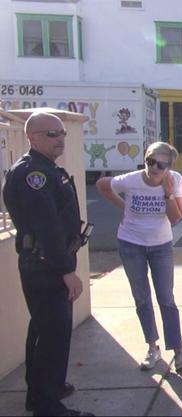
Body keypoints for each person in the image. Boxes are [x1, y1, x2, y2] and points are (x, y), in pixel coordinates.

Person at [2, 112, 95, 416]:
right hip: (45, 266)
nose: (60, 139)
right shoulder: (34, 175)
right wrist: (67, 271)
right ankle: (46, 405)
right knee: (52, 334)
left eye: (62, 133)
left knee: (45, 331)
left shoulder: (46, 169)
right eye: (52, 134)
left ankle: (43, 391)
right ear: (32, 137)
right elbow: (47, 227)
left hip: (46, 263)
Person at [96, 142, 182, 372]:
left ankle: (178, 351)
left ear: (169, 167)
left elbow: (175, 218)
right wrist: (123, 206)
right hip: (131, 244)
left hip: (160, 245)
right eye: (150, 161)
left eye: (160, 164)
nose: (153, 168)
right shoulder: (130, 180)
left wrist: (167, 192)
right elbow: (102, 185)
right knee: (142, 298)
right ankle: (152, 348)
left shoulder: (174, 181)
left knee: (166, 298)